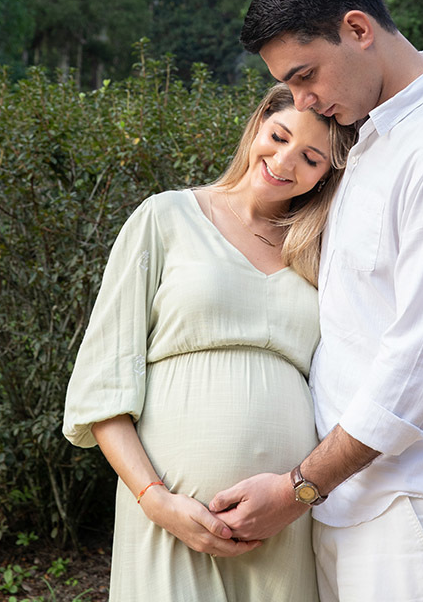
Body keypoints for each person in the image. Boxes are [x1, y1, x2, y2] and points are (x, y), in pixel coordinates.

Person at [209, 0, 423, 602]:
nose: (303, 101)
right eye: (288, 89)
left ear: (357, 29)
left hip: (421, 513)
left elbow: (416, 376)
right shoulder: (372, 139)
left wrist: (297, 489)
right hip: (352, 504)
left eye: (305, 75)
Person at [63, 82, 355, 602]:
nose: (285, 162)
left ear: (327, 174)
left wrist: (297, 492)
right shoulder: (165, 217)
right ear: (258, 124)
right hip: (170, 514)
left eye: (310, 158)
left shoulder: (321, 252)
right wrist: (155, 500)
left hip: (285, 522)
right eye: (279, 135)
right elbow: (103, 383)